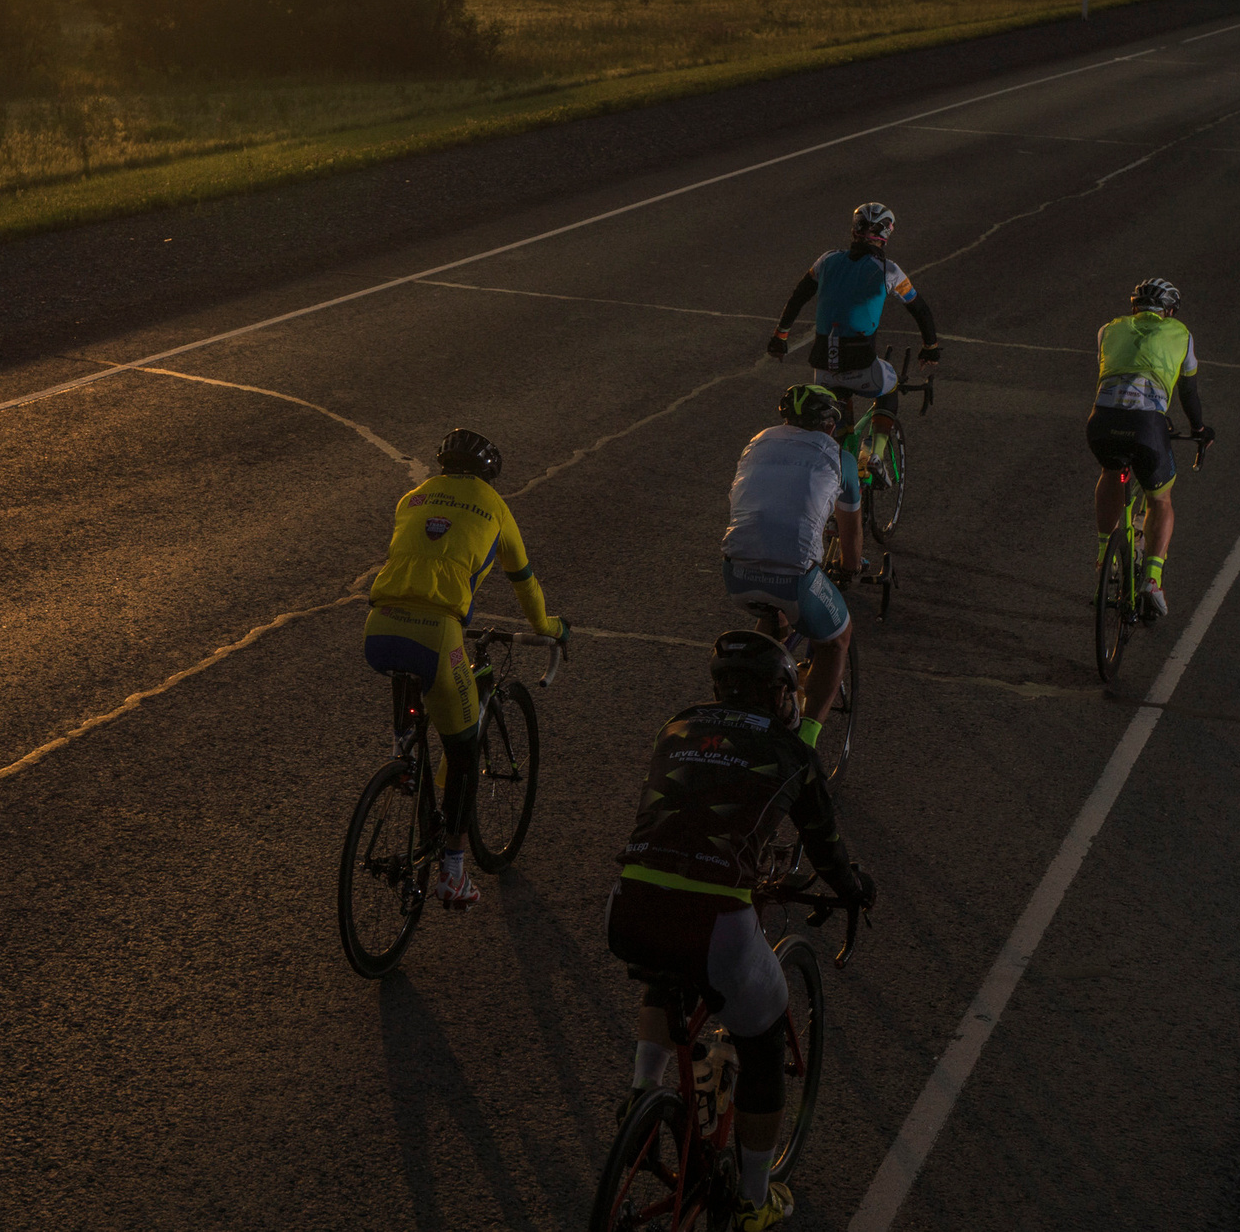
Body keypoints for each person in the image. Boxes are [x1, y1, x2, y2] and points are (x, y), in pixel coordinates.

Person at [606, 630, 874, 1232]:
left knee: (665, 971)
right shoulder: (791, 752)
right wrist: (852, 888)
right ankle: (754, 1199)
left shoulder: (677, 726)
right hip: (714, 923)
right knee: (763, 1035)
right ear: (781, 695)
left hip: (628, 904)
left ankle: (642, 1098)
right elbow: (825, 849)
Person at [364, 427, 569, 909]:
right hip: (437, 633)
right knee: (462, 750)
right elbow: (523, 580)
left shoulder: (411, 498)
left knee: (416, 722)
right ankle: (453, 873)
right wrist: (550, 627)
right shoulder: (494, 506)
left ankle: (405, 762)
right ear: (488, 474)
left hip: (379, 625)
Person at [766, 201, 941, 574]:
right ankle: (875, 453)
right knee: (889, 386)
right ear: (887, 235)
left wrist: (780, 336)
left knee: (837, 436)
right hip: (862, 366)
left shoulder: (826, 260)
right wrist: (931, 347)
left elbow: (798, 295)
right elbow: (920, 309)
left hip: (823, 368)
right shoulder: (889, 270)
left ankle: (834, 503)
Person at [722, 386, 859, 749]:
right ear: (829, 426)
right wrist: (849, 567)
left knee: (773, 616)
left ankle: (757, 695)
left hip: (735, 571)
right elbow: (851, 535)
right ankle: (807, 744)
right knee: (837, 640)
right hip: (794, 577)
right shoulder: (840, 457)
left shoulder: (758, 442)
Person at [1088, 277, 1215, 621]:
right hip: (1146, 426)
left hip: (1101, 420)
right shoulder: (1182, 334)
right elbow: (1188, 394)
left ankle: (1105, 557)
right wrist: (1199, 430)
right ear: (1169, 311)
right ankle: (1153, 580)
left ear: (1134, 307)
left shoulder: (1108, 330)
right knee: (1160, 500)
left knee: (1110, 471)